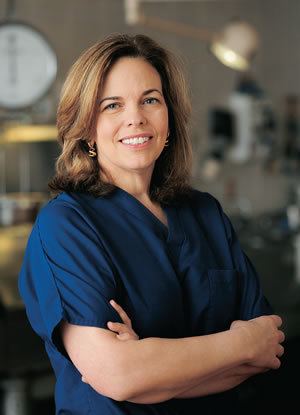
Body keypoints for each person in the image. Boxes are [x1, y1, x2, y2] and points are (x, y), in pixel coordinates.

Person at [18, 33, 285, 415]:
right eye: (112, 105)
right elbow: (117, 376)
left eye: (150, 99)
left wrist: (149, 370)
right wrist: (239, 344)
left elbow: (268, 349)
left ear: (169, 116)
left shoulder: (205, 213)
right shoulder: (67, 225)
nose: (135, 118)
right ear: (87, 128)